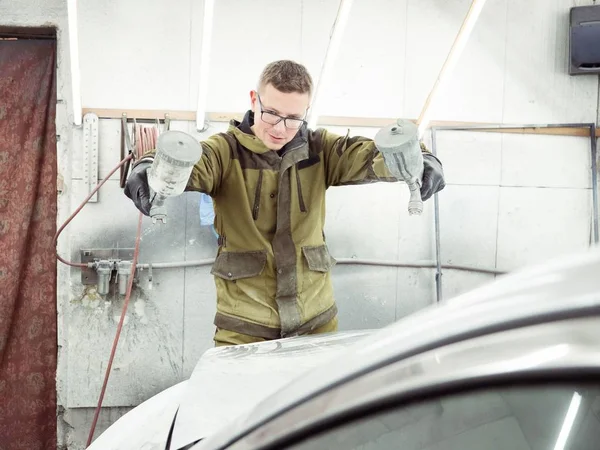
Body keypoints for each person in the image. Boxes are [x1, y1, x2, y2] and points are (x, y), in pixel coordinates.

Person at [124, 60, 445, 347]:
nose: (280, 129)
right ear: (254, 99)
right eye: (271, 114)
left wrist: (421, 159)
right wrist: (148, 167)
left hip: (316, 325)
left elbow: (370, 156)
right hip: (244, 329)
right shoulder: (224, 152)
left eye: (293, 118)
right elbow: (192, 164)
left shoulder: (322, 149)